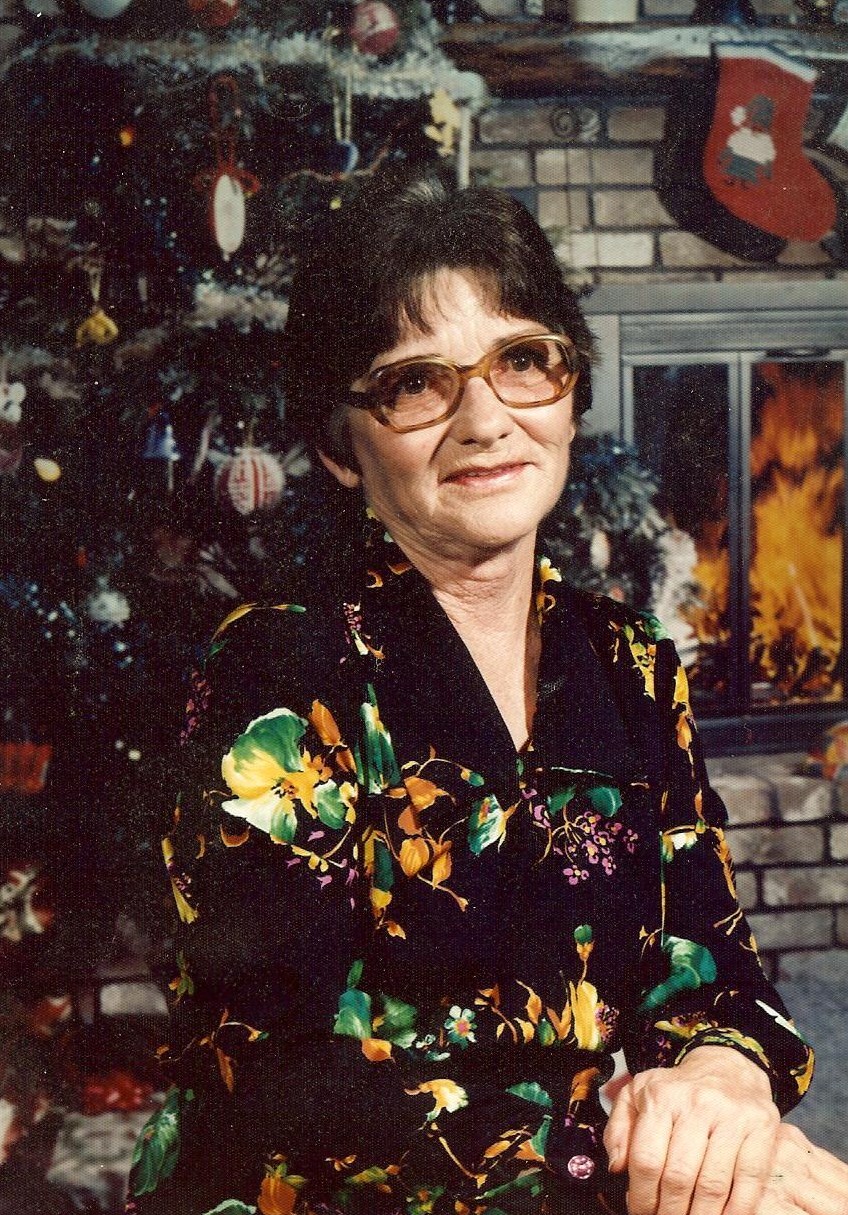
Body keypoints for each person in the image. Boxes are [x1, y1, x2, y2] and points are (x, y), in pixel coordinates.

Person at [126, 167, 817, 1215]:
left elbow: (710, 959)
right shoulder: (276, 669)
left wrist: (722, 1077)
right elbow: (281, 1080)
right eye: (415, 383)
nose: (486, 420)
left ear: (570, 391)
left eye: (522, 360)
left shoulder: (628, 659)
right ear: (340, 448)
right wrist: (618, 1157)